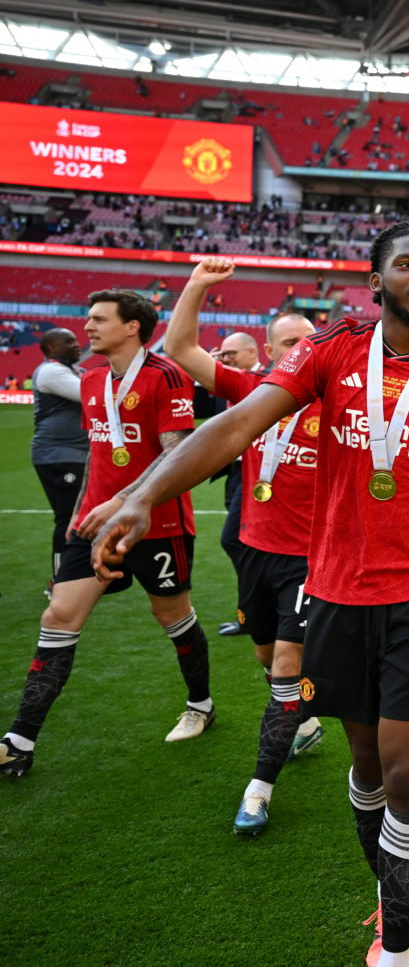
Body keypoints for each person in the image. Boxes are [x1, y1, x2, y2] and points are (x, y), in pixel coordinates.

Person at [92, 221, 409, 966]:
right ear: (375, 280)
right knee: (367, 768)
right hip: (339, 590)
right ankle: (390, 892)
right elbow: (238, 422)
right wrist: (141, 495)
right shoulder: (335, 349)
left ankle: (397, 948)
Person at [0, 289, 211, 778]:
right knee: (59, 614)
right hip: (94, 524)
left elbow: (176, 454)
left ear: (132, 326)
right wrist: (82, 516)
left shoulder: (167, 376)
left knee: (171, 614)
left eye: (98, 319)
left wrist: (125, 501)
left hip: (159, 527)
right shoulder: (92, 379)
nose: (87, 327)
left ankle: (200, 704)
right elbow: (100, 455)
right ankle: (19, 739)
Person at [162, 258, 325, 834]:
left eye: (308, 341)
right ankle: (304, 721)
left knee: (286, 664)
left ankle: (258, 790)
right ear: (271, 349)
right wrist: (198, 285)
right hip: (256, 550)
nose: (299, 350)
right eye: (288, 343)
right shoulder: (250, 389)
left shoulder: (339, 407)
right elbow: (180, 347)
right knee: (264, 657)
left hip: (311, 561)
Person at [213, 331, 262, 637]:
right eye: (223, 355)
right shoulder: (228, 387)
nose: (226, 359)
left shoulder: (269, 384)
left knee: (235, 541)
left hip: (260, 476)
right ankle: (253, 611)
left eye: (232, 354)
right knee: (241, 543)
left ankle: (253, 613)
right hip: (235, 473)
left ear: (254, 351)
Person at [30, 327, 88, 578]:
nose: (77, 344)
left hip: (75, 455)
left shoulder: (72, 370)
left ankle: (79, 573)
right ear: (52, 348)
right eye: (69, 341)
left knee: (80, 517)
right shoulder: (51, 371)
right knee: (67, 518)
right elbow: (89, 393)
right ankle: (60, 578)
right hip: (59, 455)